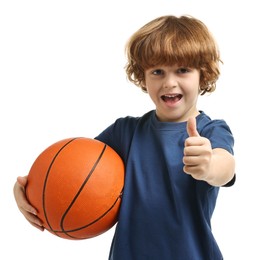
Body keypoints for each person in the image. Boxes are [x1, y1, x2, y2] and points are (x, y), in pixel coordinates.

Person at [13, 15, 235, 260]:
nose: (169, 83)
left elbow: (225, 168)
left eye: (183, 70)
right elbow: (72, 172)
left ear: (202, 74)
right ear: (143, 76)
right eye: (157, 72)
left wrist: (209, 165)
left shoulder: (210, 131)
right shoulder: (126, 132)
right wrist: (26, 191)